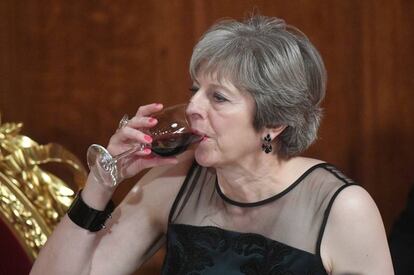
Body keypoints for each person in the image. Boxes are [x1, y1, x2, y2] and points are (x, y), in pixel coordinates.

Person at [30, 15, 394, 275]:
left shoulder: (343, 210)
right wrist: (102, 180)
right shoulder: (173, 182)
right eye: (195, 92)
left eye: (218, 98)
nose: (192, 108)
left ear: (273, 122)